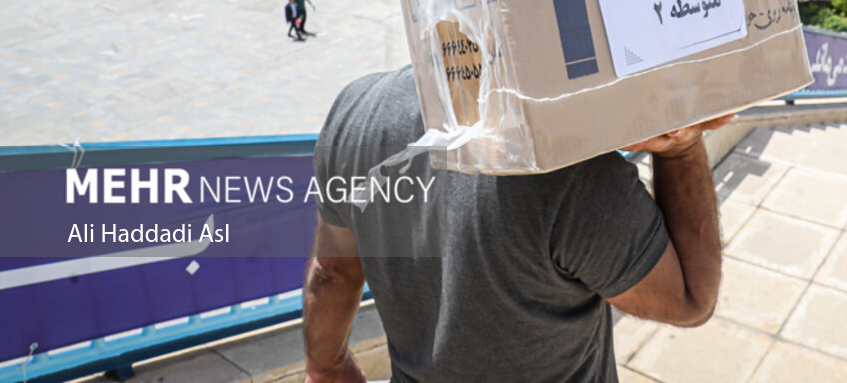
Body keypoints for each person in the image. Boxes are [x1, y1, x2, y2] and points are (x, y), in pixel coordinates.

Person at [301, 65, 730, 383]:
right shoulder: (568, 167)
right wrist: (679, 148)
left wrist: (326, 367)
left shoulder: (354, 112)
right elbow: (690, 299)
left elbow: (331, 274)